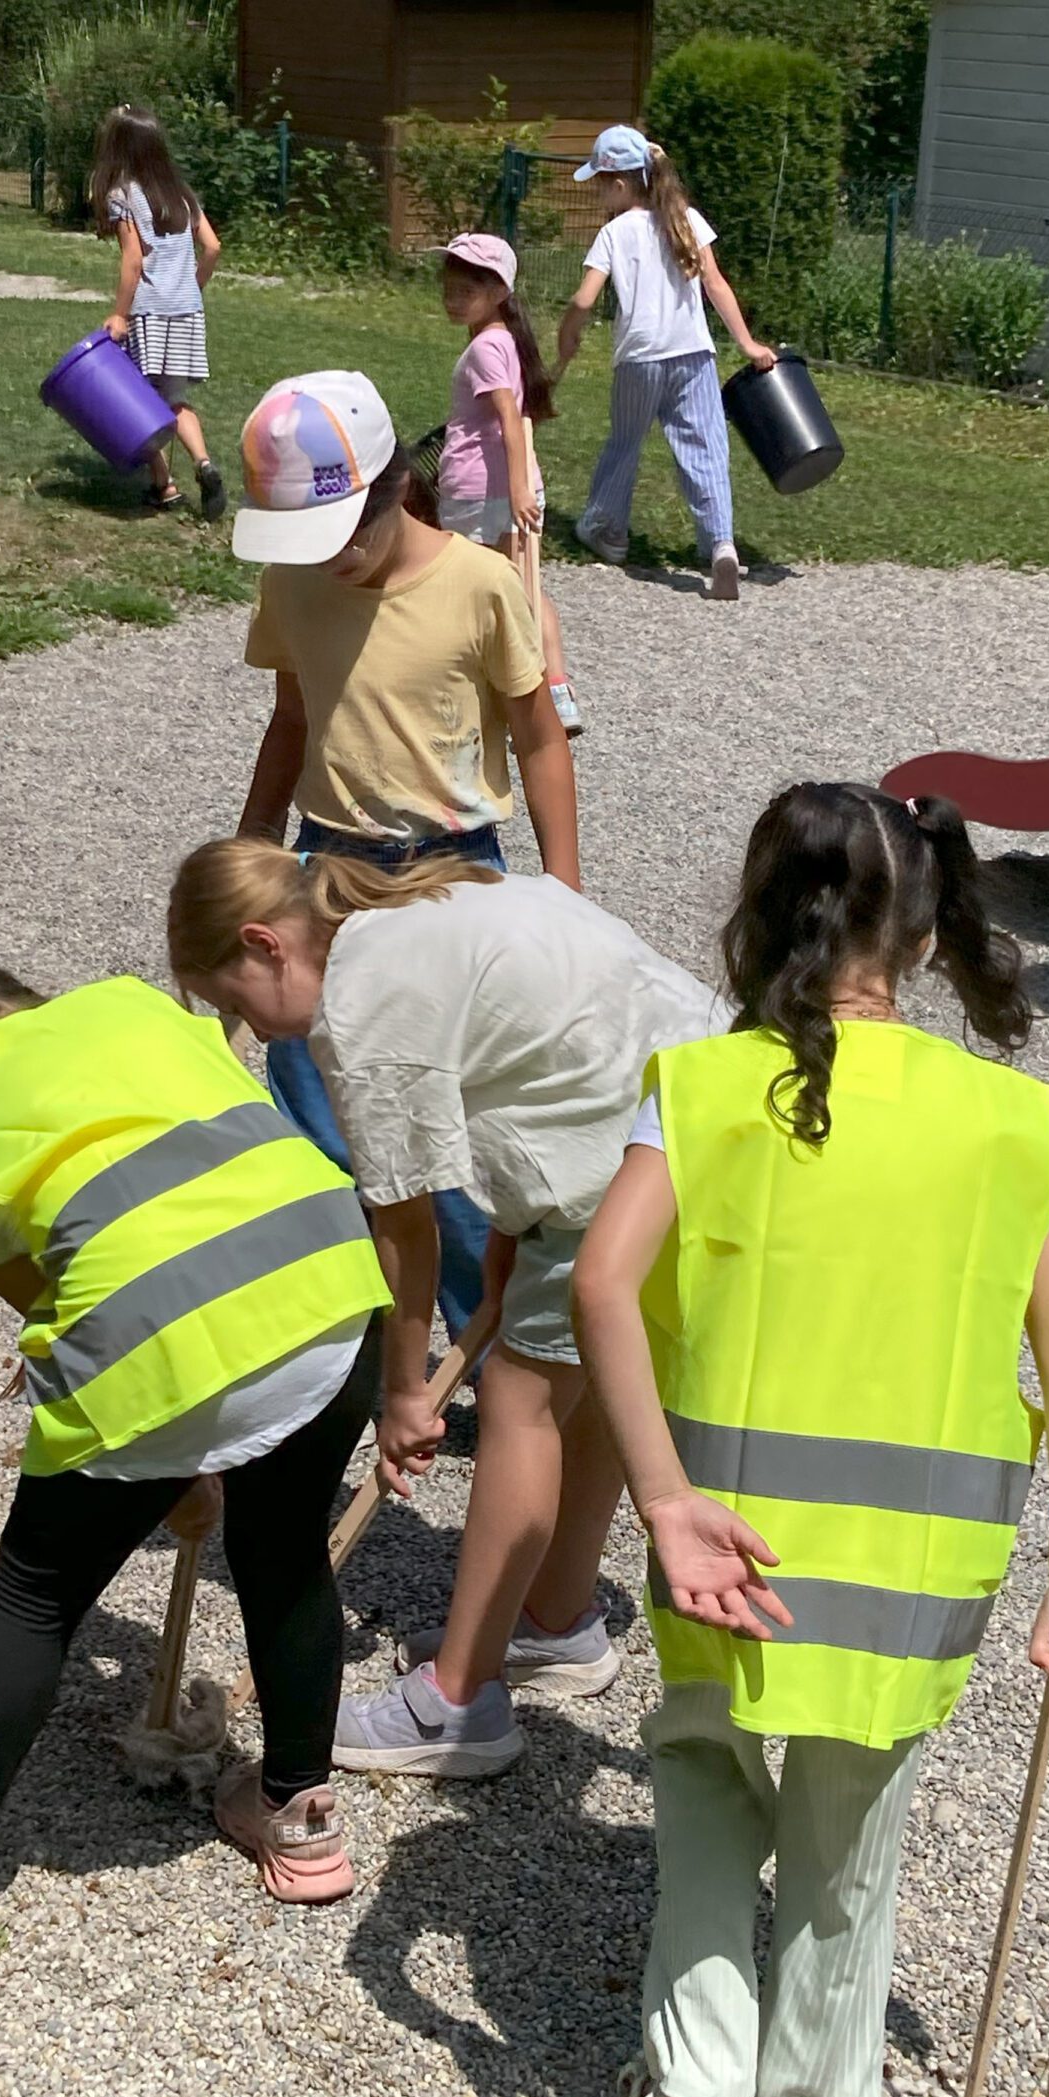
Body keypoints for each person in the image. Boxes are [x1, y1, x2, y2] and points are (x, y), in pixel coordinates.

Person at [572, 781, 1049, 2097]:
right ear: (933, 923)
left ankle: (704, 2069)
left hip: (725, 1532)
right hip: (912, 1563)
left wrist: (658, 1491)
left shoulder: (703, 1086)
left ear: (765, 918)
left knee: (703, 1761)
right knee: (849, 1836)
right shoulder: (1004, 1118)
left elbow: (597, 1285)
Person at [0, 957, 391, 1979]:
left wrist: (178, 1455)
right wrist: (197, 1460)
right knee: (284, 1556)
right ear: (21, 1003)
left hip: (170, 1345)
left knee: (36, 1595)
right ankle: (301, 1819)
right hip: (333, 1288)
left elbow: (75, 1307)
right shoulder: (131, 1006)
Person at [167, 838, 725, 1778]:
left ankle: (457, 1706)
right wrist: (512, 1246)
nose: (252, 1031)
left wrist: (403, 1395)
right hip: (700, 1116)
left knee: (520, 1404)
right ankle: (556, 1622)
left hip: (620, 1150)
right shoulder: (396, 920)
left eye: (235, 1002)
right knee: (583, 1388)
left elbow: (406, 1232)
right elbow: (529, 1059)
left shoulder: (359, 1010)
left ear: (266, 944)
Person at [232, 369, 580, 1338]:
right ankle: (353, 1324)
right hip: (327, 871)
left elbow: (541, 736)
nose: (327, 558)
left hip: (453, 874)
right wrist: (254, 847)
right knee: (311, 1095)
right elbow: (292, 720)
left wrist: (565, 890)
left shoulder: (480, 585)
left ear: (391, 487)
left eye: (342, 530)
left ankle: (479, 1334)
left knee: (442, 1121)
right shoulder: (292, 580)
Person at [557, 125, 776, 599]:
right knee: (705, 448)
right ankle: (721, 544)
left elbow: (584, 297)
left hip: (639, 360)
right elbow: (716, 285)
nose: (597, 193)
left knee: (625, 443)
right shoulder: (687, 219)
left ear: (619, 184)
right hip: (694, 355)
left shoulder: (613, 233)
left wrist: (568, 331)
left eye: (599, 183)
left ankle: (609, 530)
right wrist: (747, 343)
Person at [436, 231, 580, 737]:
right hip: (510, 488)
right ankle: (556, 693)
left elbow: (508, 416)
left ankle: (487, 693)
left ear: (499, 293)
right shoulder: (505, 340)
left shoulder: (487, 347)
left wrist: (517, 489)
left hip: (480, 490)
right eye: (449, 288)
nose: (453, 298)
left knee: (468, 591)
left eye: (466, 290)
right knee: (522, 592)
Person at [92, 104, 225, 518]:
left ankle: (164, 485)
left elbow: (133, 259)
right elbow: (213, 247)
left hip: (148, 313)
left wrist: (119, 314)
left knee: (139, 401)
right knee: (174, 398)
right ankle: (204, 463)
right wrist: (191, 290)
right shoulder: (182, 194)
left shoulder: (122, 195)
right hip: (186, 311)